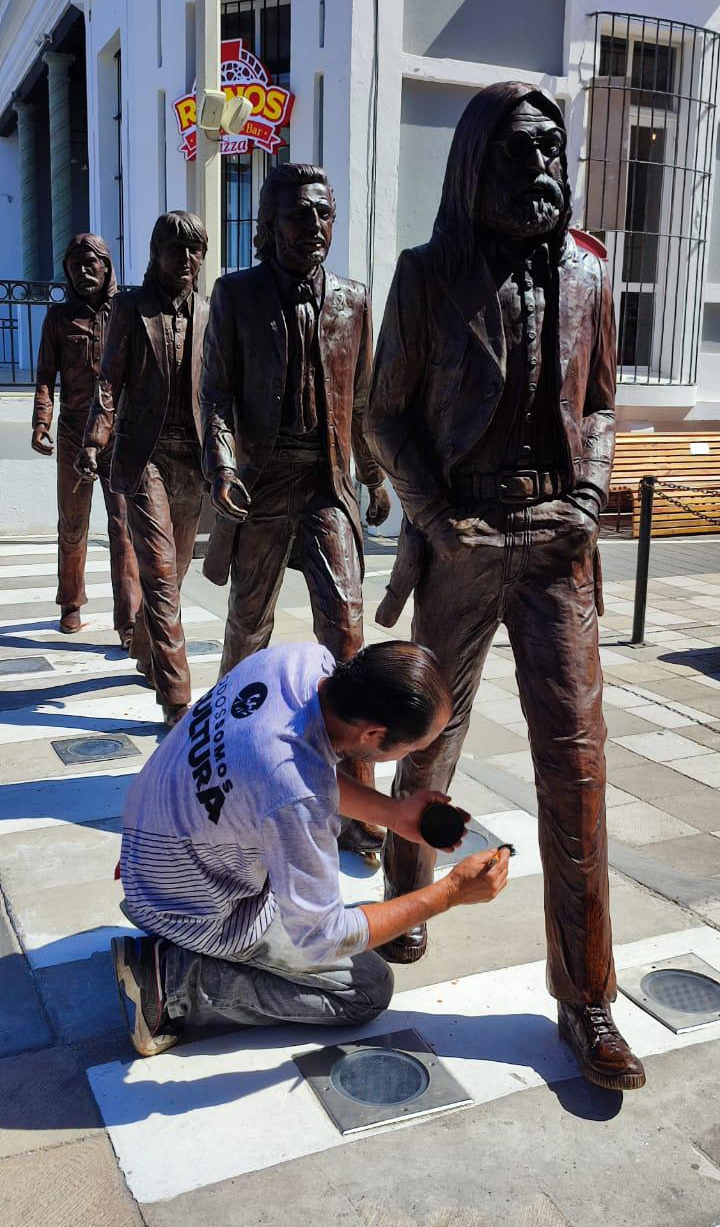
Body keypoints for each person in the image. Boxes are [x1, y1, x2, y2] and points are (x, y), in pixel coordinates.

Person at [365, 82, 646, 1091]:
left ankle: (588, 998)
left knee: (577, 769)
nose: (541, 171)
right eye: (519, 155)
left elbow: (603, 401)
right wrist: (436, 520)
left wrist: (588, 491)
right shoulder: (427, 276)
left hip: (557, 545)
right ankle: (405, 879)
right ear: (472, 165)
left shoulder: (588, 271)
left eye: (552, 151)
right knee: (426, 740)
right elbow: (385, 414)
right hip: (463, 535)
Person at [111, 640, 510, 1057]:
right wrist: (450, 893)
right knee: (367, 989)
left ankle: (169, 930)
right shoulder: (294, 794)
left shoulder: (297, 661)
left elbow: (297, 768)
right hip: (185, 903)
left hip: (154, 839)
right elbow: (323, 936)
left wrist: (395, 814)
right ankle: (171, 983)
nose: (414, 755)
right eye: (410, 749)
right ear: (374, 734)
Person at [199, 163, 392, 856]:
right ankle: (217, 764)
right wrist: (222, 467)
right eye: (297, 215)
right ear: (268, 225)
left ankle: (357, 800)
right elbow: (215, 393)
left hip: (325, 486)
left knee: (346, 635)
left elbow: (362, 400)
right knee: (248, 627)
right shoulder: (236, 295)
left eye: (323, 214)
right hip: (261, 483)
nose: (313, 228)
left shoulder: (355, 299)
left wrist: (372, 476)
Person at [76, 212, 209, 728]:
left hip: (191, 462)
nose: (187, 260)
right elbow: (108, 383)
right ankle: (178, 700)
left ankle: (149, 651)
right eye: (177, 249)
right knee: (157, 571)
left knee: (175, 571)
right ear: (156, 253)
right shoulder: (130, 307)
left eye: (195, 251)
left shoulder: (207, 309)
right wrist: (94, 442)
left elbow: (218, 390)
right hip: (143, 457)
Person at [31, 233, 140, 644]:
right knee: (73, 524)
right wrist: (43, 420)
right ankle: (71, 602)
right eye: (76, 265)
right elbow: (45, 375)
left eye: (91, 264)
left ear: (107, 267)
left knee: (124, 525)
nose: (84, 272)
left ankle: (128, 617)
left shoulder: (124, 312)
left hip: (118, 434)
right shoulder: (58, 319)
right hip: (75, 432)